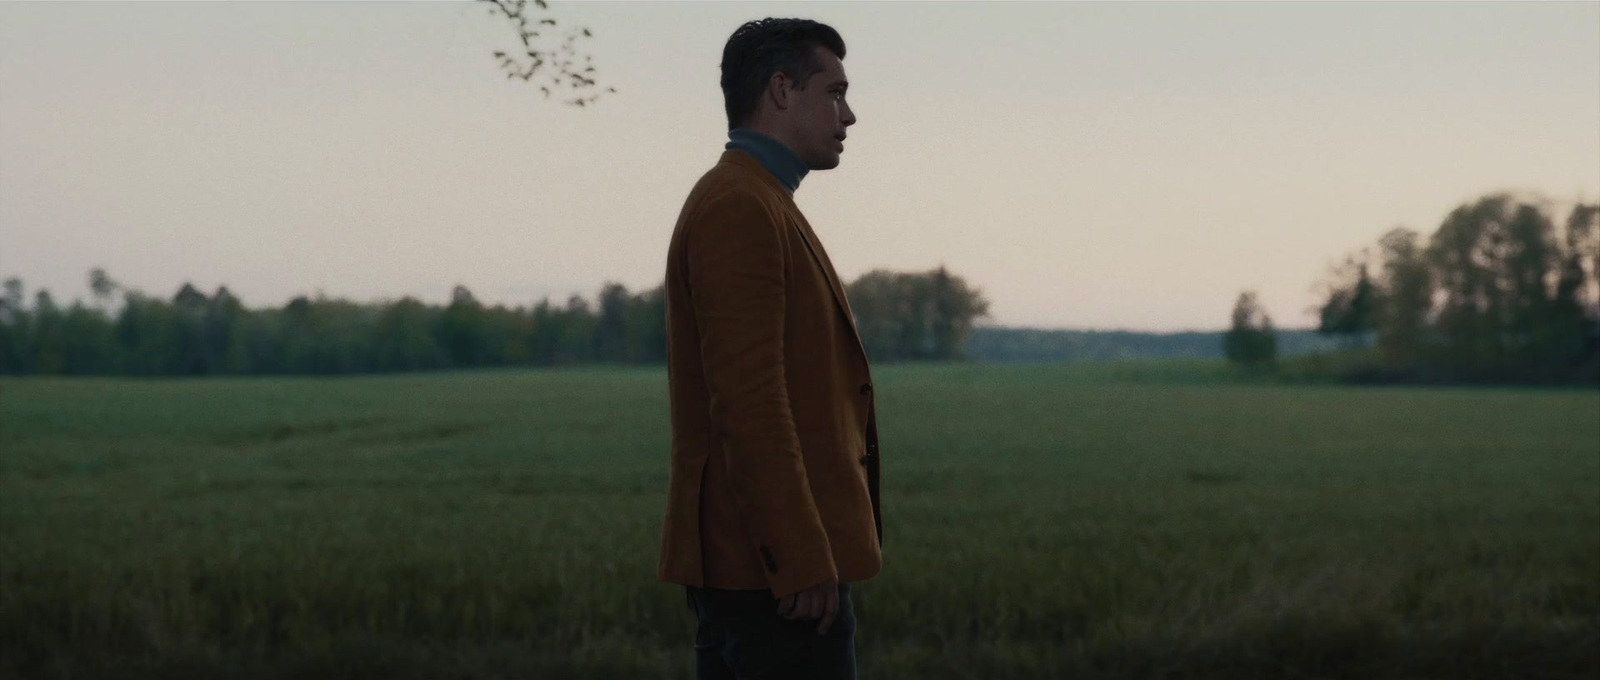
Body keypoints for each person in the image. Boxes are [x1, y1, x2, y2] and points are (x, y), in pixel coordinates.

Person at [656, 17, 881, 680]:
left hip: (771, 575)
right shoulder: (740, 206)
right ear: (781, 91)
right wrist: (799, 556)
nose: (850, 114)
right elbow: (749, 401)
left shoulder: (760, 198)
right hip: (774, 581)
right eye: (834, 92)